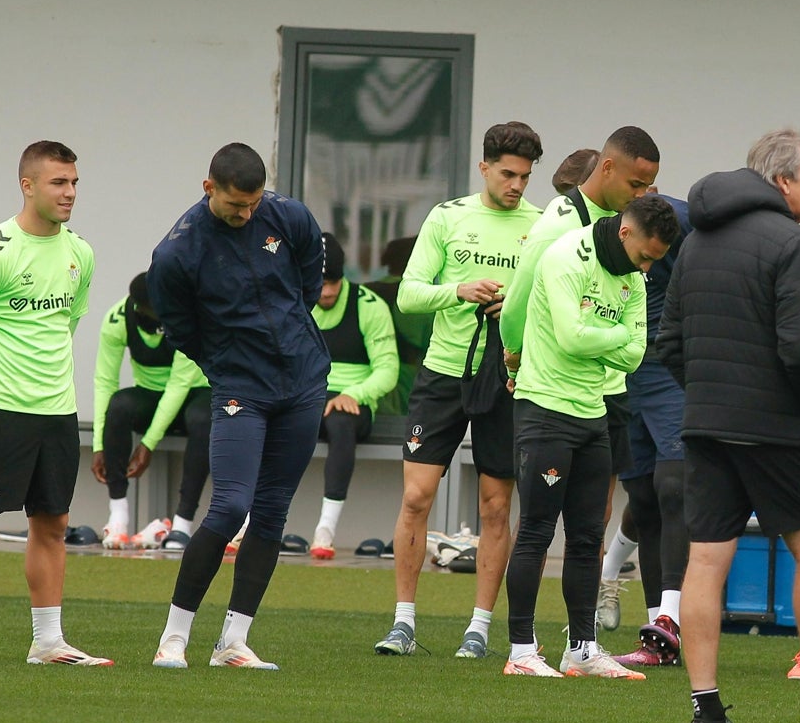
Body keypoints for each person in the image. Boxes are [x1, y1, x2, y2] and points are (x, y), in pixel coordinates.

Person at [657, 128, 800, 723]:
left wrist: (707, 390)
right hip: (778, 429)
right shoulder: (795, 244)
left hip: (705, 423)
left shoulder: (696, 241)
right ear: (782, 180)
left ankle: (706, 714)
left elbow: (668, 343)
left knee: (705, 561)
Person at [148, 142, 330, 671]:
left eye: (253, 205)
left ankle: (233, 642)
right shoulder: (177, 253)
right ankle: (174, 637)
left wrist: (296, 332)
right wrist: (226, 363)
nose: (246, 214)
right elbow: (180, 327)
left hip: (302, 381)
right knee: (229, 507)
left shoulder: (288, 215)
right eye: (236, 206)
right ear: (209, 189)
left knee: (272, 511)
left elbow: (310, 276)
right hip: (238, 387)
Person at [373, 121, 543, 659]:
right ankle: (403, 622)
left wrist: (511, 302)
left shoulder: (541, 227)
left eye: (525, 176)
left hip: (508, 377)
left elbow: (550, 302)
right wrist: (460, 291)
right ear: (485, 167)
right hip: (444, 373)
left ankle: (479, 626)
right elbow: (409, 295)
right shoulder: (448, 217)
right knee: (417, 496)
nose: (517, 185)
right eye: (508, 174)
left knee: (496, 507)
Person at [502, 195, 679, 678]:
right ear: (625, 232)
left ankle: (581, 648)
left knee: (587, 536)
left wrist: (604, 337)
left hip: (593, 411)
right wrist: (614, 335)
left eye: (655, 262)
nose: (647, 268)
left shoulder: (635, 278)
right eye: (645, 256)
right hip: (544, 408)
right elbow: (570, 338)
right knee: (537, 530)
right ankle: (521, 651)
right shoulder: (565, 257)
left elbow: (635, 353)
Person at [0, 140, 111, 666]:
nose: (69, 193)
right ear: (28, 185)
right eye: (58, 183)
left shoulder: (80, 253)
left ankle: (48, 642)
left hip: (58, 414)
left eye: (73, 183)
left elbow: (66, 326)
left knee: (52, 523)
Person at [610, 192, 693, 667]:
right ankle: (656, 637)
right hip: (620, 368)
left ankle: (671, 620)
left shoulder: (678, 222)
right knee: (642, 499)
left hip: (666, 368)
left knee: (673, 488)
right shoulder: (588, 228)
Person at [92, 272, 212, 551]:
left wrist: (148, 443)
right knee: (119, 405)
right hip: (151, 393)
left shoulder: (188, 317)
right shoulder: (117, 319)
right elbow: (105, 382)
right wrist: (99, 443)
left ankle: (182, 524)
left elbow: (179, 383)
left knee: (203, 418)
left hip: (195, 391)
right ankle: (118, 517)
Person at [307, 232, 399, 559]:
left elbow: (388, 369)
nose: (327, 291)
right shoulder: (294, 304)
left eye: (333, 282)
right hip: (309, 398)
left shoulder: (368, 306)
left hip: (354, 403)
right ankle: (249, 522)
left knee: (341, 422)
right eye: (319, 284)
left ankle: (325, 530)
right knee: (270, 423)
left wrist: (355, 394)